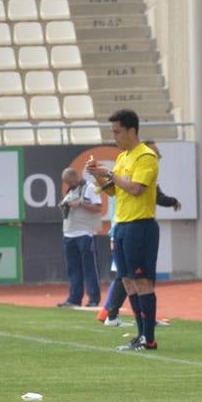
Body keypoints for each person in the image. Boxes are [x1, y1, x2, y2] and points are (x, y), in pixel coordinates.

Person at [86, 110, 161, 351]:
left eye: (117, 131)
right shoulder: (122, 158)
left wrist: (111, 174)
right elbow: (112, 191)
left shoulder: (145, 157)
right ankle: (140, 336)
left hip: (141, 226)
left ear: (131, 130)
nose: (114, 136)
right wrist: (99, 176)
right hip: (122, 225)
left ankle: (148, 338)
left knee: (142, 282)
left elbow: (136, 189)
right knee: (128, 282)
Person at [96, 140, 180, 326]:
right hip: (126, 227)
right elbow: (130, 191)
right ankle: (113, 314)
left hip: (123, 227)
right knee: (130, 277)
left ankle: (137, 322)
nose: (158, 156)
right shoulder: (130, 167)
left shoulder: (131, 169)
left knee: (130, 277)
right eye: (155, 152)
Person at [57, 167, 103, 308]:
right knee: (73, 269)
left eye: (69, 181)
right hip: (69, 234)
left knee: (89, 268)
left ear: (75, 177)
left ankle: (93, 299)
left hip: (85, 233)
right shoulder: (70, 191)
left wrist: (81, 204)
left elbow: (98, 207)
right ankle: (74, 299)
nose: (68, 184)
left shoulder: (89, 187)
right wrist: (64, 206)